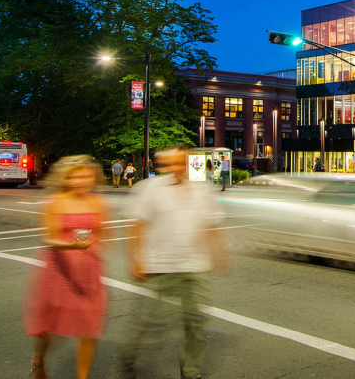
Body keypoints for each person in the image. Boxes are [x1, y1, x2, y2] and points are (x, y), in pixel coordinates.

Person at [122, 146, 226, 379]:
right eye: (171, 164)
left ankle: (191, 372)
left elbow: (213, 221)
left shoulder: (201, 189)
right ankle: (131, 354)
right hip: (162, 265)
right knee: (156, 321)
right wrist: (135, 259)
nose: (177, 168)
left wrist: (219, 252)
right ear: (162, 166)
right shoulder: (150, 189)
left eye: (181, 162)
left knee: (195, 321)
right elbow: (137, 224)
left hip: (196, 265)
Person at [24, 156, 108, 379]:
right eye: (75, 177)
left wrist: (94, 248)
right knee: (49, 327)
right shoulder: (56, 202)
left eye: (85, 176)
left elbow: (102, 233)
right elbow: (49, 238)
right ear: (66, 179)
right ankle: (38, 360)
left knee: (89, 329)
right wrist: (72, 244)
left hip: (88, 272)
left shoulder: (97, 202)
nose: (80, 181)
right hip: (59, 270)